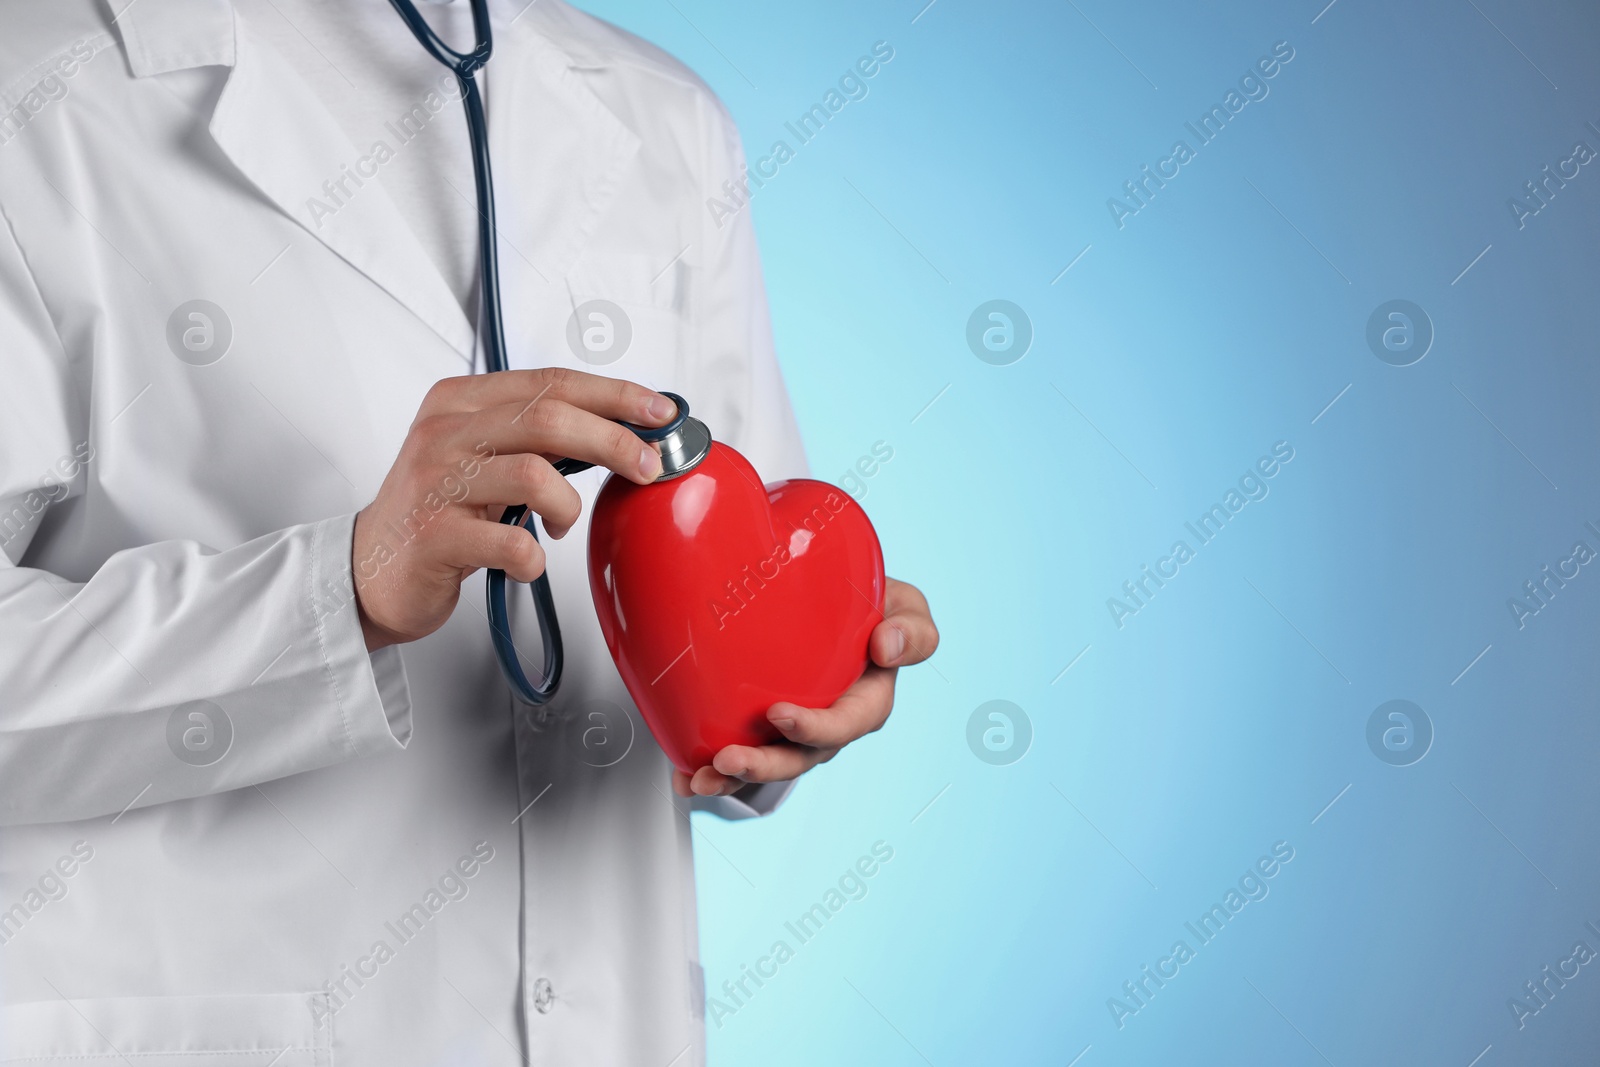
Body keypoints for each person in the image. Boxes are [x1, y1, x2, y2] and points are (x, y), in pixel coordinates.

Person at [0, 1, 938, 1064]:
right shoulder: (30, 87)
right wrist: (339, 588)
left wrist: (793, 693)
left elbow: (741, 579)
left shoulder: (664, 116)